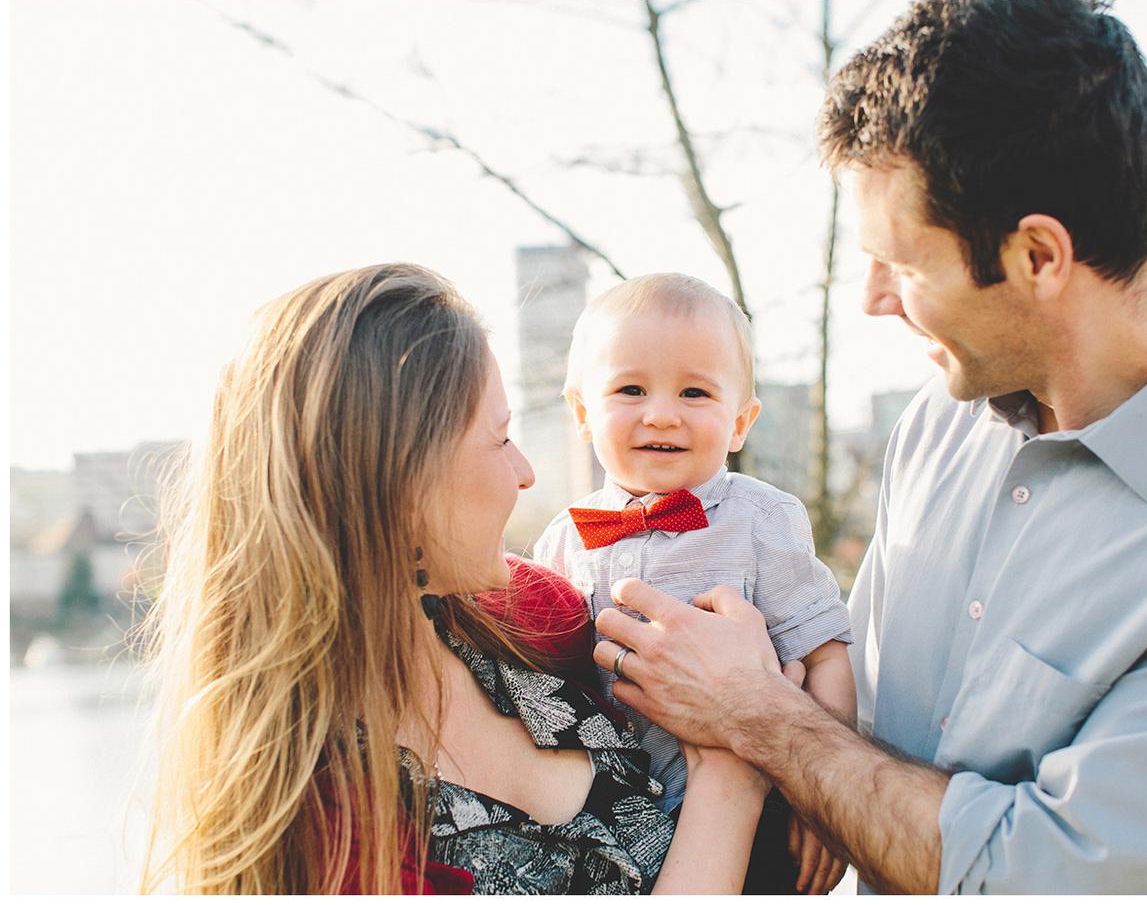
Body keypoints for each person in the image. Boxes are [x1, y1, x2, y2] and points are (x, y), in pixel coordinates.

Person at [592, 0, 1147, 894]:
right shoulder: (942, 416)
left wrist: (756, 715)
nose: (875, 298)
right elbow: (859, 725)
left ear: (1038, 256)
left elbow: (1043, 877)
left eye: (905, 266)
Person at [138, 263, 770, 894]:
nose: (525, 474)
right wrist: (731, 774)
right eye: (499, 441)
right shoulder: (318, 824)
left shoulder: (542, 612)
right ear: (399, 482)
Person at [533, 273, 855, 894]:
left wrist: (825, 792)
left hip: (760, 806)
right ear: (582, 412)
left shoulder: (762, 520)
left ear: (739, 423)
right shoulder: (563, 539)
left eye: (694, 392)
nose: (662, 414)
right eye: (631, 388)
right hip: (610, 818)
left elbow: (826, 655)